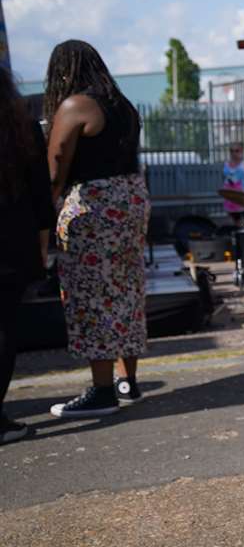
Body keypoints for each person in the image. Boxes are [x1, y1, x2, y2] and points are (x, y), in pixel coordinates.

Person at [42, 40, 152, 418]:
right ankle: (127, 381)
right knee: (126, 287)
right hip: (131, 199)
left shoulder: (75, 106)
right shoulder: (124, 107)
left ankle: (102, 390)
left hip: (94, 205)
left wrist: (43, 220)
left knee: (91, 293)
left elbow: (55, 169)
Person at [0, 65, 53, 443]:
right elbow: (41, 199)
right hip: (10, 244)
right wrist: (41, 248)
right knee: (4, 329)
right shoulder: (22, 130)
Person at [220, 143, 244, 226]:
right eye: (231, 151)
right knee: (235, 223)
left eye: (237, 151)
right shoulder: (226, 164)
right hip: (232, 199)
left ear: (241, 151)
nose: (234, 153)